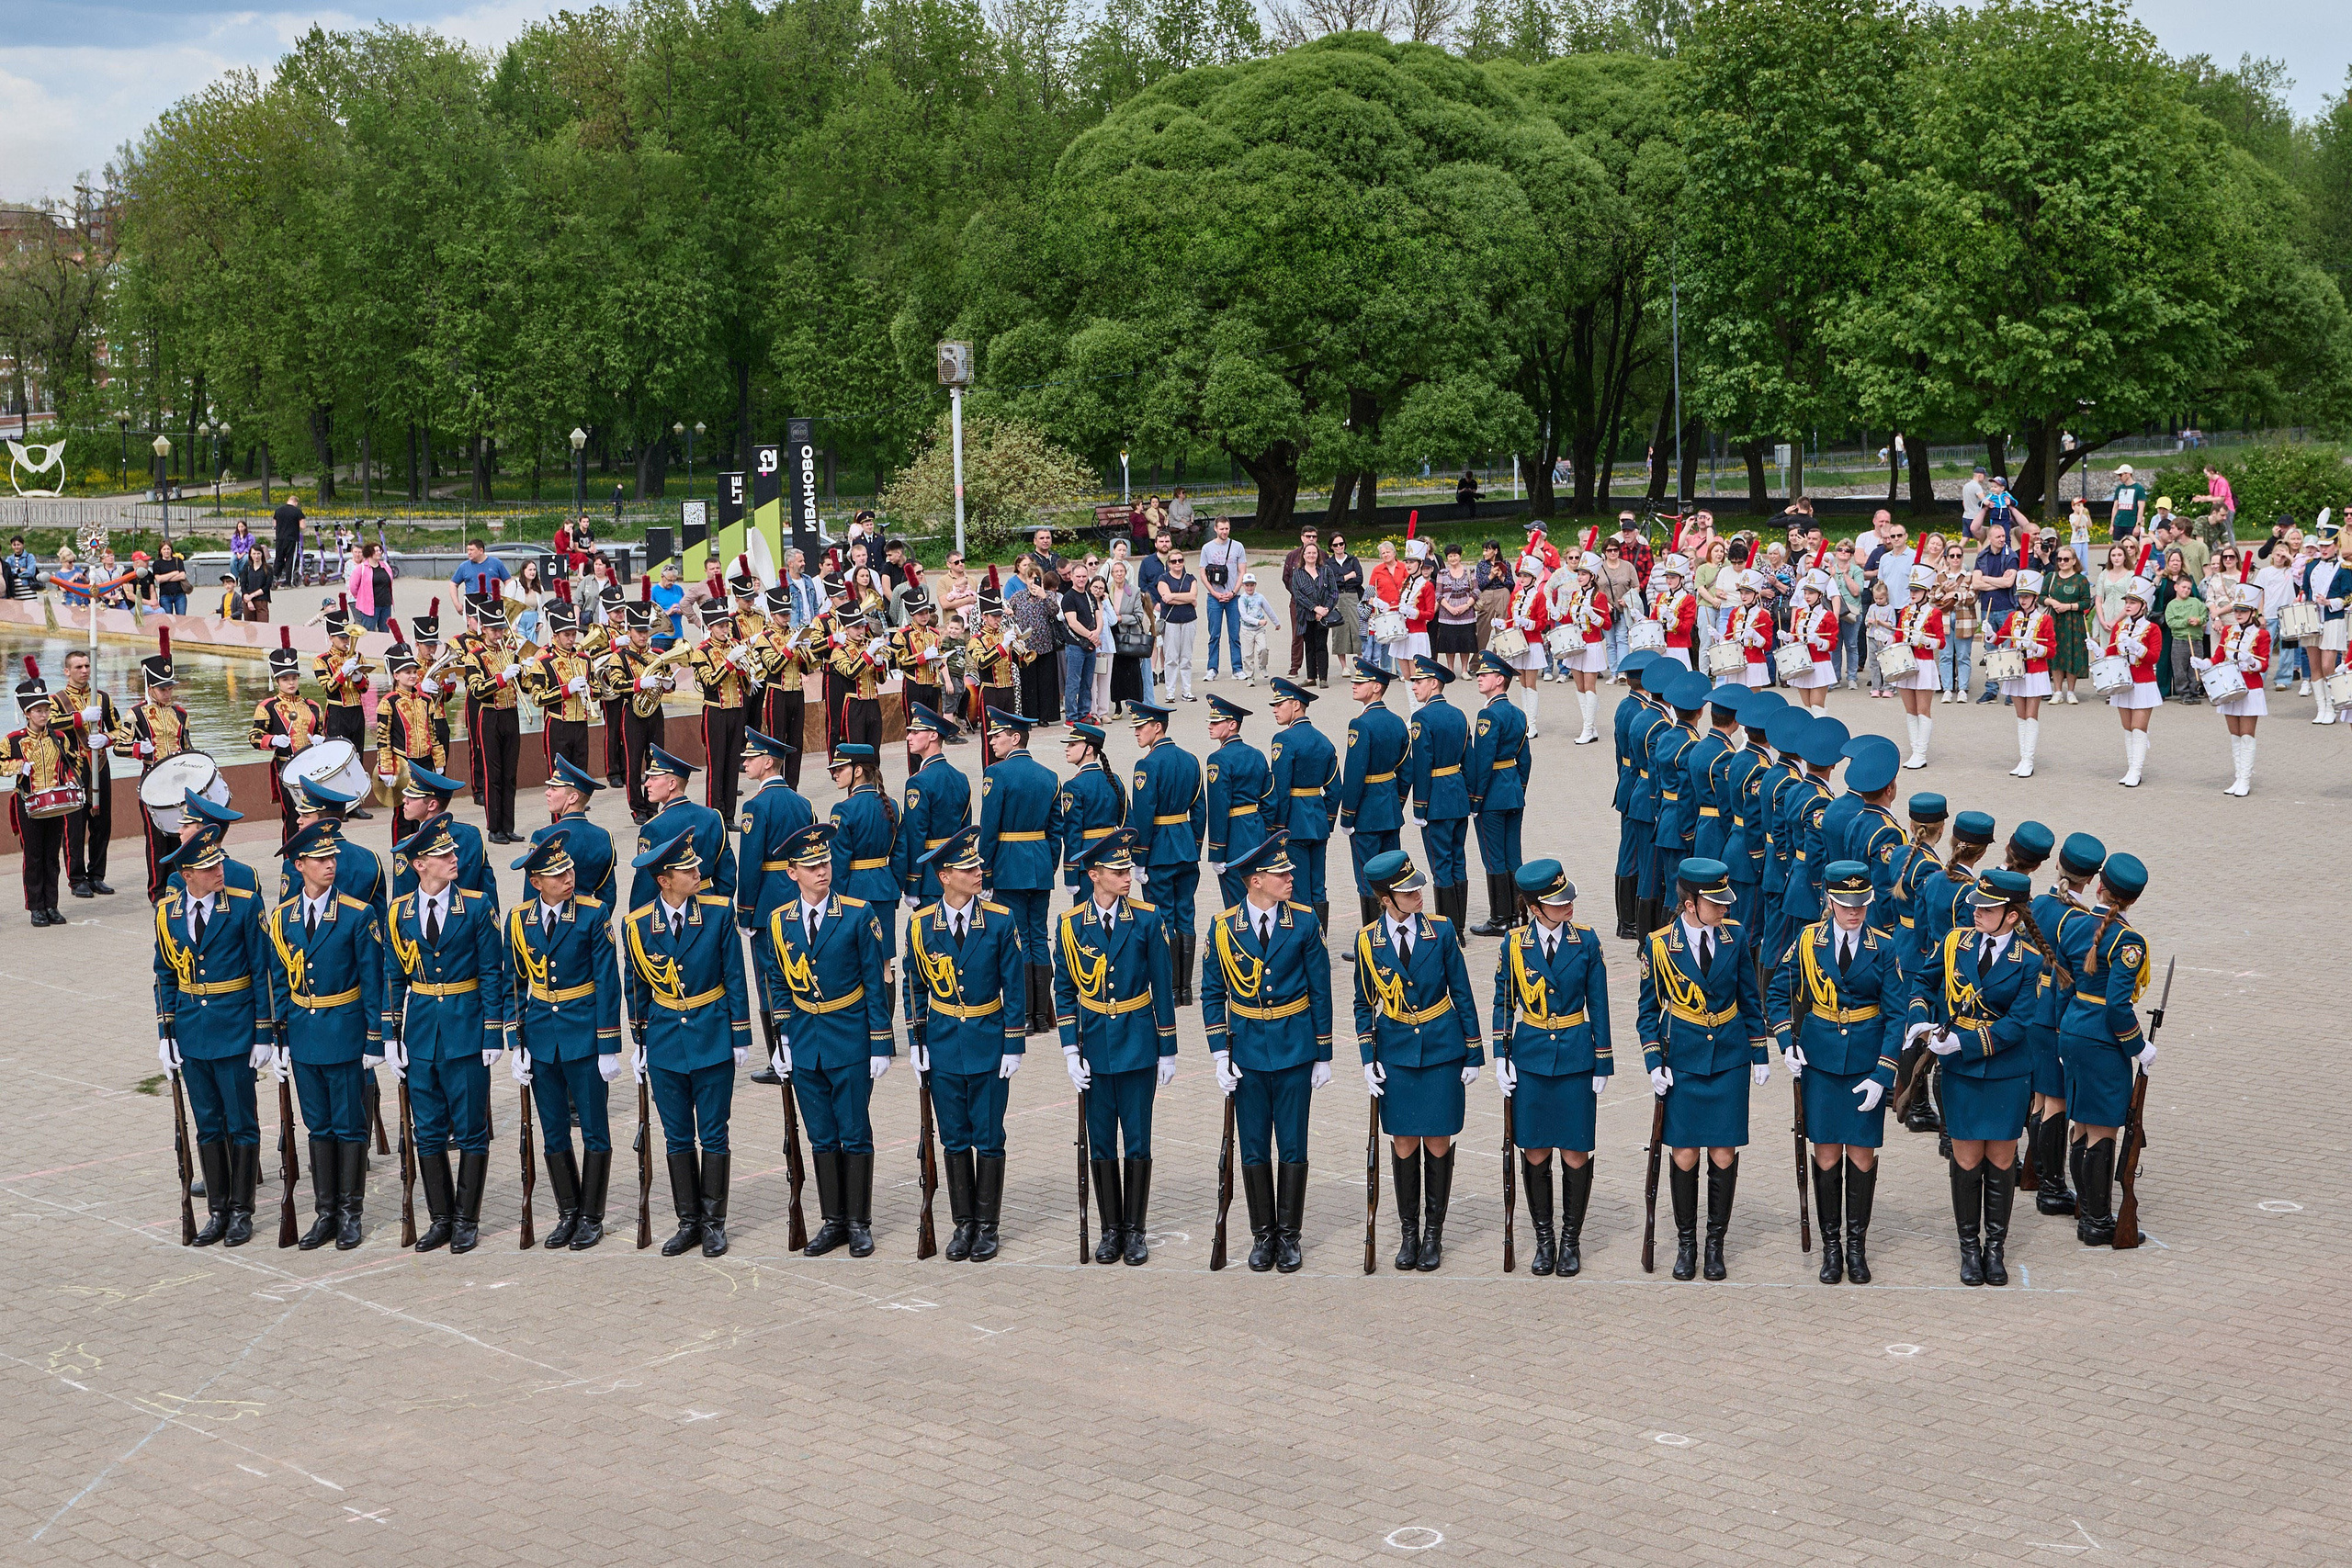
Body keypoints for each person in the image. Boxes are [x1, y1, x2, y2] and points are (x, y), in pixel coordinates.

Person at [1199, 830, 1332, 1273]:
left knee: (1293, 1145)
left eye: (1288, 870)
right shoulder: (1223, 929)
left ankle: (1290, 1236)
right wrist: (1220, 1052)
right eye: (1280, 872)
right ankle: (1263, 1235)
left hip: (1294, 1049)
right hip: (1248, 1053)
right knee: (1254, 1147)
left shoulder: (1305, 922)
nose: (1290, 877)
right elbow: (1213, 992)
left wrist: (1323, 1052)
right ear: (1254, 881)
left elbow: (1320, 989)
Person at [1766, 860, 1904, 1285]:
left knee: (1861, 1154)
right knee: (1825, 1153)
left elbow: (1896, 1014)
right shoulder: (1808, 941)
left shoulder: (1884, 946)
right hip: (1821, 1060)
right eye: (1845, 904)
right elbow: (1777, 991)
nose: (1853, 912)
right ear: (1829, 901)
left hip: (1864, 1062)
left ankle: (1857, 1247)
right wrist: (1788, 1040)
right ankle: (1831, 1247)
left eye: (1860, 904)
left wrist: (1883, 1074)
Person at [759, 821, 893, 1257]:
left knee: (853, 1132)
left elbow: (876, 980)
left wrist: (880, 1042)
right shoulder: (781, 920)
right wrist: (781, 1040)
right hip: (805, 1039)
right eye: (811, 865)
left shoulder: (858, 913)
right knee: (821, 1135)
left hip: (849, 1036)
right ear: (791, 873)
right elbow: (778, 982)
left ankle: (859, 1222)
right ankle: (832, 1220)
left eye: (825, 861)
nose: (822, 870)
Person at [1912, 867, 2050, 1284]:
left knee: (2002, 1158)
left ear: (2011, 915)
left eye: (1988, 908)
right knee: (1967, 1157)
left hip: (2006, 1071)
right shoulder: (1957, 942)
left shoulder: (2029, 960)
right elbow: (1922, 980)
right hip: (1962, 1074)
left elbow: (2019, 1023)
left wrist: (1965, 1044)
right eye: (1977, 904)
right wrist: (1920, 1020)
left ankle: (1996, 1248)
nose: (1977, 912)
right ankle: (1969, 1248)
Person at [381, 814, 513, 1252]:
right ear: (420, 864)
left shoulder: (476, 906)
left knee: (472, 1129)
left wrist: (493, 1034)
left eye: (453, 852)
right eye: (443, 854)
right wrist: (391, 1034)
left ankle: (467, 1219)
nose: (454, 858)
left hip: (466, 1027)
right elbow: (393, 976)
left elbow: (493, 973)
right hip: (420, 1033)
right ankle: (440, 1218)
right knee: (429, 1130)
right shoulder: (399, 912)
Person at [1056, 824, 1181, 1265]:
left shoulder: (1147, 918)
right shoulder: (1070, 925)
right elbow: (1065, 990)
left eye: (1128, 868)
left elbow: (1163, 988)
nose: (1127, 876)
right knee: (1102, 1141)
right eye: (1117, 870)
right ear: (1094, 874)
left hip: (1137, 1043)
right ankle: (1110, 1229)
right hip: (1094, 1045)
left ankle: (1136, 1229)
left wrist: (1168, 1048)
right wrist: (1070, 1048)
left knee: (1138, 1140)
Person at [623, 827, 752, 1258]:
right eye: (687, 868)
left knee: (714, 1133)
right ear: (663, 880)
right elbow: (636, 987)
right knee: (676, 1136)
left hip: (712, 1030)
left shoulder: (716, 912)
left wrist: (741, 1034)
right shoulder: (638, 925)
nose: (698, 871)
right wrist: (639, 1041)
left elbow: (734, 975)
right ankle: (688, 1222)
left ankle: (714, 1223)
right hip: (665, 1041)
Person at [1352, 847, 1481, 1273]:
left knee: (1438, 1140)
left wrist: (1474, 1051)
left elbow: (1461, 991)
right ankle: (1409, 1233)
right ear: (1386, 899)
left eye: (1418, 886)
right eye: (1409, 891)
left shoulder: (1441, 932)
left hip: (1442, 1047)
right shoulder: (1367, 940)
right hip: (1396, 1051)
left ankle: (1434, 1234)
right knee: (1404, 1141)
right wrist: (1367, 1057)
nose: (1419, 893)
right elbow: (1362, 1003)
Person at [1638, 857, 1766, 1280]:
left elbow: (1749, 998)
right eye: (1716, 903)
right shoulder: (1659, 945)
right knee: (1686, 1152)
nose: (1725, 908)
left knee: (1724, 1152)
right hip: (1685, 1061)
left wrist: (1759, 1052)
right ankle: (1686, 1243)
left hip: (1729, 1057)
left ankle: (1716, 1244)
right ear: (1690, 904)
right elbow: (1647, 1011)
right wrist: (1653, 1061)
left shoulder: (1735, 936)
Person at [902, 827, 1025, 1262]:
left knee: (989, 1136)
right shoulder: (920, 925)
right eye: (967, 868)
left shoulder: (998, 919)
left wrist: (1014, 1044)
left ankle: (988, 1227)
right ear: (944, 877)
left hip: (988, 1039)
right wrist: (917, 1039)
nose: (978, 872)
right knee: (954, 1138)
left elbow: (1015, 983)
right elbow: (914, 985)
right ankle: (963, 1224)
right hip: (942, 1043)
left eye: (977, 865)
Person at [265, 819, 388, 1251]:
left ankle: (351, 1213)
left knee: (350, 1125)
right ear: (300, 865)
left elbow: (374, 980)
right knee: (318, 1127)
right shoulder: (283, 917)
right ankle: (325, 1213)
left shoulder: (357, 913)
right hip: (303, 1035)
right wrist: (278, 1038)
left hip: (346, 1031)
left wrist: (376, 1038)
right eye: (319, 859)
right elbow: (279, 980)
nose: (330, 864)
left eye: (332, 857)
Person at [1491, 860, 1611, 1277]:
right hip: (1532, 1056)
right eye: (1559, 902)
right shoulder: (1513, 944)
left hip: (1576, 1053)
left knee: (1576, 1150)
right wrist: (1500, 1055)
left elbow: (1598, 1003)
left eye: (1569, 897)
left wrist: (1603, 1060)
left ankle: (1571, 1241)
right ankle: (1544, 1240)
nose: (1569, 905)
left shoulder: (1587, 942)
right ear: (1534, 908)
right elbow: (1503, 1001)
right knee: (1536, 1149)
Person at [977, 708, 1060, 1032]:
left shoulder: (996, 774)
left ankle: (1025, 1015)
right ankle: (1042, 1015)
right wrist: (1049, 864)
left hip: (1009, 864)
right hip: (1039, 863)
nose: (992, 741)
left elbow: (989, 828)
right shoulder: (1049, 775)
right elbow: (1055, 832)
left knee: (1018, 938)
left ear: (1015, 738)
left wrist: (984, 873)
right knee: (1038, 935)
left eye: (997, 736)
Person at [1123, 700, 1206, 1002]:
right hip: (1185, 846)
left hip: (1158, 849)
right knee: (1185, 914)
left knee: (1163, 918)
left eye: (1140, 726)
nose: (1136, 732)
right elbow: (1199, 810)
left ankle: (1170, 988)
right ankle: (1185, 988)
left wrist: (1139, 859)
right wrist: (1194, 845)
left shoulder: (1147, 765)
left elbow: (1143, 817)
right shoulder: (1191, 759)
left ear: (1157, 727)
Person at [1335, 660, 1408, 940]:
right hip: (1389, 808)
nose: (1354, 685)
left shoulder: (1360, 724)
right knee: (1392, 874)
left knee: (1368, 879)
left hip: (1366, 812)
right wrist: (1397, 801)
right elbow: (1406, 768)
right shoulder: (1398, 721)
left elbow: (1354, 774)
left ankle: (1372, 940)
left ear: (1376, 688)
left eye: (1361, 682)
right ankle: (1397, 934)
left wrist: (1347, 814)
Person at [3, 661, 80, 926]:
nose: (44, 714)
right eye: (38, 710)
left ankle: (52, 905)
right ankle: (36, 907)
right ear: (27, 713)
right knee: (33, 856)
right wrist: (17, 765)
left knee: (52, 855)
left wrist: (70, 782)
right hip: (28, 804)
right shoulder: (13, 740)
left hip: (56, 804)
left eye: (46, 709)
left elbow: (73, 764)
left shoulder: (59, 737)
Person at [1401, 656, 1471, 933]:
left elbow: (1422, 764)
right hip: (1458, 796)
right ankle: (1460, 927)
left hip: (1436, 800)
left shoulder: (1421, 717)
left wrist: (1419, 809)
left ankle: (1447, 928)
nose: (1414, 686)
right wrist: (1472, 799)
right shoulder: (1459, 714)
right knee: (1458, 859)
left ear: (1434, 683)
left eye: (1419, 681)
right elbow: (1470, 759)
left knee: (1441, 863)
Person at [47, 649, 118, 900]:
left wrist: (106, 738)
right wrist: (79, 718)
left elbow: (120, 731)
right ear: (67, 671)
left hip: (99, 764)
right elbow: (49, 725)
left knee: (102, 823)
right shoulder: (55, 700)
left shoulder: (103, 697)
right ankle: (77, 879)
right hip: (72, 769)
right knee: (74, 827)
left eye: (87, 665)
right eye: (78, 667)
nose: (85, 670)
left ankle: (97, 875)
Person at [1201, 693, 1272, 914]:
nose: (1210, 726)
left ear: (1232, 725)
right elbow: (1269, 799)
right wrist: (1266, 833)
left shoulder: (1218, 759)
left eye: (1216, 722)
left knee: (1236, 905)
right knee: (1261, 897)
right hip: (1257, 829)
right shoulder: (1257, 754)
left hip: (1233, 837)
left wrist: (1217, 852)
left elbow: (1218, 808)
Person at [2196, 587, 2270, 795]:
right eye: (2236, 610)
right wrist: (2205, 663)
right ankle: (2238, 777)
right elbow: (2219, 655)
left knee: (2246, 735)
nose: (2238, 614)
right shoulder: (2229, 631)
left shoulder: (2262, 634)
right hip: (2229, 687)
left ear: (2253, 612)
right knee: (2234, 734)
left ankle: (2245, 779)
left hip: (2250, 688)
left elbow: (2264, 665)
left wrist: (2251, 662)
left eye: (2243, 611)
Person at [1991, 570, 2054, 775]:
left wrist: (2035, 647)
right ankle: (2022, 757)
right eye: (2020, 596)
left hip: (2036, 671)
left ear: (2035, 597)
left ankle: (2029, 759)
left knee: (2031, 715)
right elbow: (2001, 637)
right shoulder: (2013, 616)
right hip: (2016, 670)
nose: (2023, 600)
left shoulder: (2044, 620)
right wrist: (1991, 634)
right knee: (2020, 716)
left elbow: (2052, 650)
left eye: (2027, 596)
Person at [2103, 577, 2161, 787]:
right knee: (2127, 727)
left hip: (2144, 681)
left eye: (2133, 602)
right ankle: (2130, 767)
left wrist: (2137, 647)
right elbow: (2111, 651)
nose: (2128, 605)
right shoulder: (2119, 627)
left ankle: (2137, 770)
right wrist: (2098, 651)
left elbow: (2154, 657)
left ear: (2143, 605)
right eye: (2127, 601)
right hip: (2123, 682)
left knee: (2138, 727)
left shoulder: (2152, 628)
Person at [1891, 566, 1945, 768]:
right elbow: (1898, 636)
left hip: (1923, 663)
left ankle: (1921, 753)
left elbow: (1941, 642)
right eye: (1911, 590)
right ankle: (1915, 750)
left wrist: (1925, 639)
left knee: (1923, 710)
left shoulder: (1934, 613)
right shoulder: (1905, 612)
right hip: (1906, 662)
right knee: (1910, 710)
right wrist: (1888, 639)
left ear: (1926, 592)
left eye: (1917, 590)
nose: (1913, 594)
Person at [1500, 562, 1552, 734]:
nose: (1522, 579)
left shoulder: (1539, 596)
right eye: (1520, 576)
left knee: (1530, 684)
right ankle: (1526, 720)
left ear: (1534, 578)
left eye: (1526, 576)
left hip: (1533, 642)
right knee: (1522, 684)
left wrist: (1528, 623)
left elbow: (1543, 623)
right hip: (1517, 642)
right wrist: (1503, 624)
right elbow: (1510, 616)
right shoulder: (1516, 595)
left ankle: (1533, 724)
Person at [2304, 524, 2347, 723]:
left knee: (2328, 664)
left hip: (2333, 618)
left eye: (2328, 545)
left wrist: (2329, 602)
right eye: (2321, 544)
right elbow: (2304, 590)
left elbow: (2349, 597)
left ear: (2337, 545)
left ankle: (2333, 705)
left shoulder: (2345, 568)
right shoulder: (2311, 565)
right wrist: (2301, 598)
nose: (2323, 549)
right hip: (2313, 619)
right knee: (2314, 666)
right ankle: (2321, 707)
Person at [1971, 523, 2018, 703]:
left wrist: (1986, 579)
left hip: (2007, 608)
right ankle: (1991, 690)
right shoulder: (1982, 556)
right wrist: (1997, 581)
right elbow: (1975, 583)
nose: (2002, 539)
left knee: (2007, 650)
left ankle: (2009, 691)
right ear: (1989, 538)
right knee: (1990, 650)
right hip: (1987, 610)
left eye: (2003, 536)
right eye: (1998, 536)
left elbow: (2008, 583)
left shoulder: (2011, 556)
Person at [1198, 516, 1245, 680]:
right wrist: (1214, 592)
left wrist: (1233, 592)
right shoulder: (1207, 548)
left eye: (1227, 529)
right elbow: (1203, 573)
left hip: (1234, 597)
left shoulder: (1238, 546)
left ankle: (1237, 668)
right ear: (1215, 529)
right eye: (1221, 529)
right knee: (1214, 634)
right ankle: (1212, 668)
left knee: (1235, 634)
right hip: (1214, 597)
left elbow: (1242, 572)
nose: (1224, 532)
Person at [1287, 541, 1340, 687]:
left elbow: (1334, 593)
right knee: (1309, 646)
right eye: (1308, 553)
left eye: (1314, 553)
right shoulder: (1297, 573)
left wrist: (1325, 609)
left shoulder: (1326, 570)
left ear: (1318, 555)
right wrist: (1315, 608)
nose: (1311, 555)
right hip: (1306, 615)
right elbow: (1298, 595)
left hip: (1323, 615)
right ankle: (1311, 678)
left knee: (1321, 645)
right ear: (1303, 555)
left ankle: (1323, 678)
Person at [2045, 546, 2092, 704]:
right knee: (2056, 654)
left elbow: (2086, 602)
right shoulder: (2051, 576)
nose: (2062, 562)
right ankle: (2057, 691)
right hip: (2054, 621)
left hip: (2074, 621)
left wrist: (2068, 606)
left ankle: (2071, 691)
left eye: (2066, 559)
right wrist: (2052, 602)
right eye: (2059, 559)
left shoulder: (2081, 580)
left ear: (2074, 561)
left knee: (2072, 654)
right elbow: (2040, 597)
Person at [1432, 545, 1477, 676]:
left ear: (1460, 556)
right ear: (1447, 558)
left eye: (1455, 555)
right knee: (1449, 643)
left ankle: (1464, 670)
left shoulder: (1470, 571)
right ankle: (1450, 669)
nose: (1453, 558)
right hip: (1447, 614)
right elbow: (1438, 594)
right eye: (1450, 556)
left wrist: (1465, 606)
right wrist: (1450, 608)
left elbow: (1476, 591)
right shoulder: (1442, 573)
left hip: (1467, 614)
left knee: (1466, 643)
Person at [1234, 571, 1279, 685]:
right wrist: (1258, 622)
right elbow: (1244, 616)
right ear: (1243, 586)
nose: (1249, 587)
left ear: (1255, 585)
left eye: (1252, 585)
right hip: (1246, 630)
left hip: (1259, 630)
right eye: (1247, 585)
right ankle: (1250, 676)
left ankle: (1262, 666)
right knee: (1248, 654)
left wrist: (1276, 622)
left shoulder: (1260, 597)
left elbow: (1269, 610)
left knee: (1263, 649)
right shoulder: (1242, 599)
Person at [273, 492, 306, 586]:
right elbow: (303, 526)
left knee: (279, 558)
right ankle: (288, 581)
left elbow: (275, 524)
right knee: (290, 559)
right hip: (291, 538)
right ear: (295, 502)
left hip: (279, 538)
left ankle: (274, 578)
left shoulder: (278, 510)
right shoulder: (297, 511)